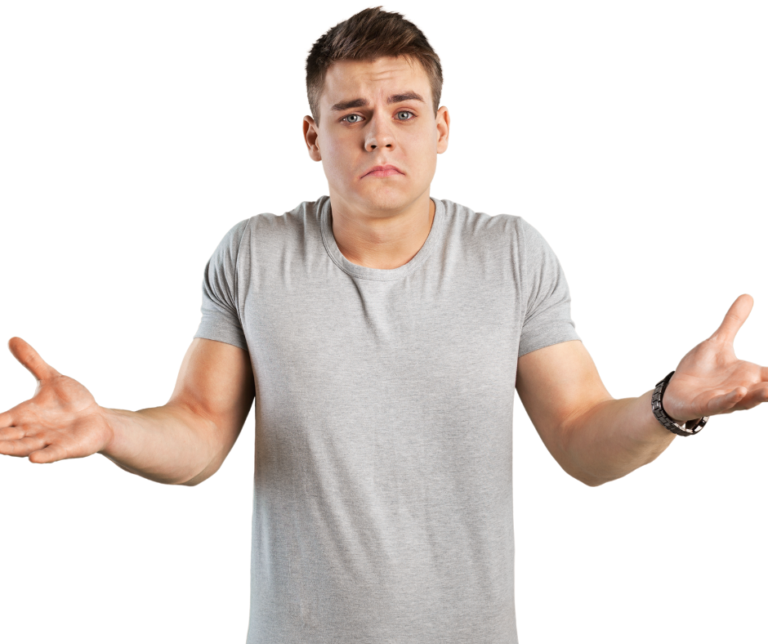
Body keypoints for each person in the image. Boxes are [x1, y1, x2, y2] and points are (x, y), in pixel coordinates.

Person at [1, 6, 766, 644]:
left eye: (403, 112)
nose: (379, 136)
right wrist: (107, 428)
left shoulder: (509, 254)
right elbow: (198, 435)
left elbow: (582, 440)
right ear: (312, 137)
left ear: (440, 128)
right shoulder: (255, 254)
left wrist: (669, 406)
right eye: (352, 115)